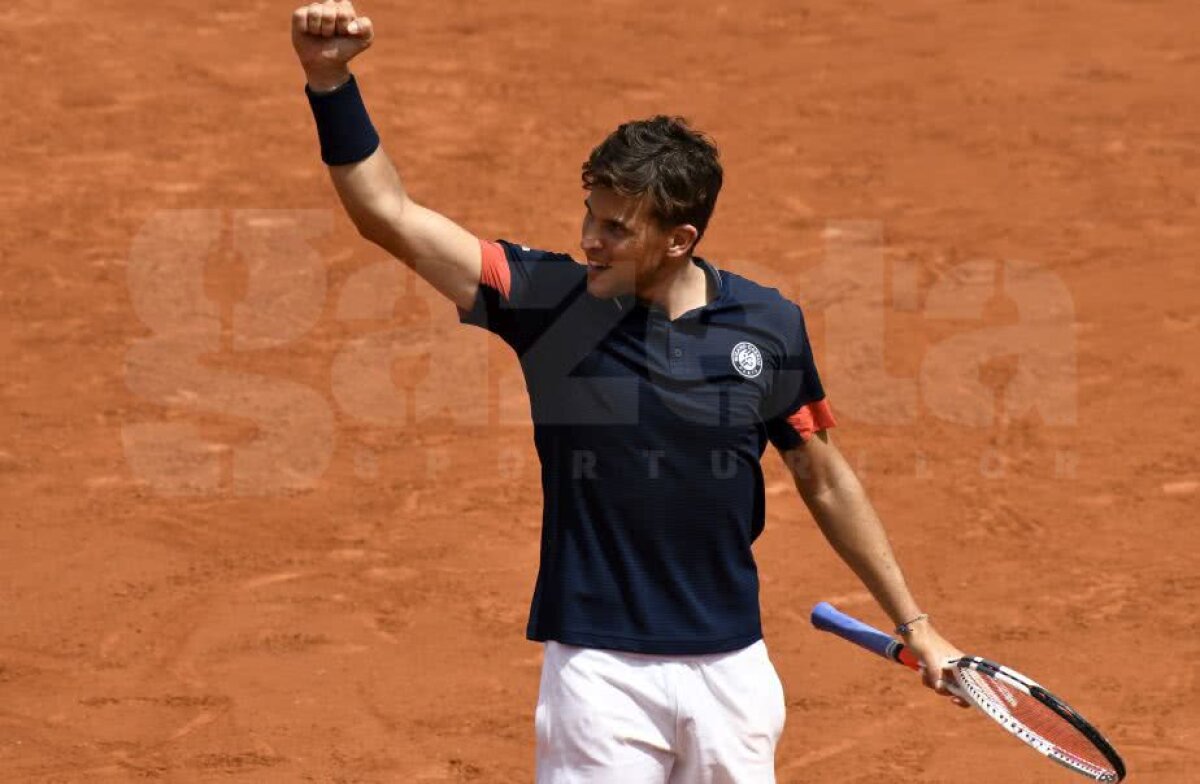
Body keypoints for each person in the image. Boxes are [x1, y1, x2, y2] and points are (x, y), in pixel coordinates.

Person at [292, 2, 968, 781]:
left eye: (616, 227)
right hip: (599, 673)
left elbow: (821, 472)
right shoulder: (549, 300)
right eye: (591, 213)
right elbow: (388, 213)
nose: (589, 237)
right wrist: (330, 81)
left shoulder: (767, 325)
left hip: (733, 671)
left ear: (680, 239)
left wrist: (915, 624)